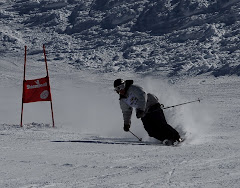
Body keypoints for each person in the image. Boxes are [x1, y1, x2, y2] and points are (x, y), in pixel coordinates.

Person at [114, 78, 182, 145]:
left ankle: (177, 137)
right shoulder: (123, 100)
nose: (120, 90)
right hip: (143, 112)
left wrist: (141, 109)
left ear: (125, 85)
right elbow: (126, 112)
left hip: (152, 105)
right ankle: (166, 139)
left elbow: (142, 96)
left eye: (121, 87)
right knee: (150, 131)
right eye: (118, 89)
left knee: (161, 124)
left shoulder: (133, 88)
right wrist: (126, 124)